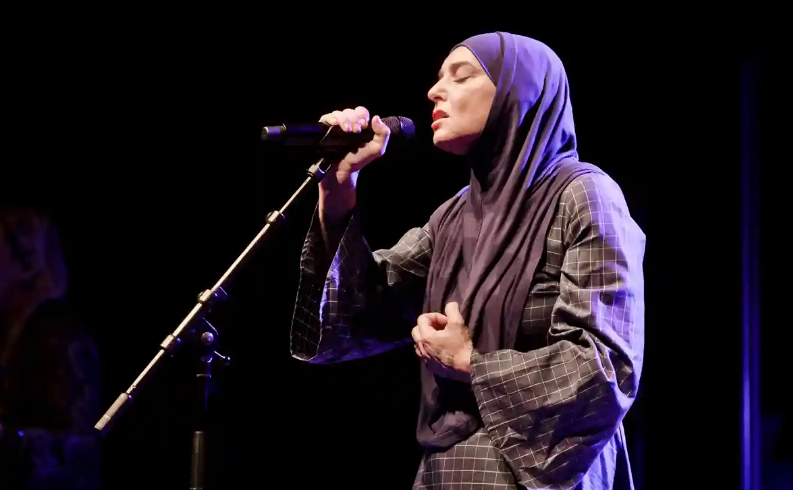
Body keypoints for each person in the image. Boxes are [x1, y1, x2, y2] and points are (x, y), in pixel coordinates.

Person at [289, 31, 645, 490]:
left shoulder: (583, 195)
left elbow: (606, 366)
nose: (435, 91)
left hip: (541, 470)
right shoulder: (456, 214)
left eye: (462, 77)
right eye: (439, 79)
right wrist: (338, 188)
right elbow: (361, 310)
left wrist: (472, 364)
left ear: (520, 93)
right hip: (445, 468)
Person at [0, 207, 100, 490]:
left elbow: (82, 450)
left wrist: (11, 441)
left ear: (26, 259)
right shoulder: (9, 331)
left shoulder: (61, 338)